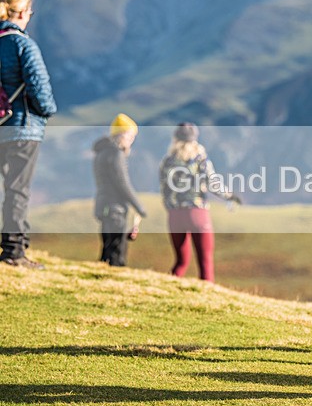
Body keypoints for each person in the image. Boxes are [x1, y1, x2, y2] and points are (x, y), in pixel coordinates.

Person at [0, 0, 57, 269]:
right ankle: (13, 250)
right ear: (22, 12)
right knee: (17, 189)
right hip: (22, 126)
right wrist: (47, 111)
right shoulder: (23, 44)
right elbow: (39, 87)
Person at [159, 122, 240, 283]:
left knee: (181, 262)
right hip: (197, 213)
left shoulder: (167, 162)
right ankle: (208, 298)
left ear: (175, 138)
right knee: (205, 263)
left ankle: (164, 290)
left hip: (175, 215)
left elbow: (164, 189)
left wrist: (171, 207)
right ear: (194, 139)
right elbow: (213, 183)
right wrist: (229, 196)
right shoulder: (200, 160)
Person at [92, 113, 147, 267]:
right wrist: (139, 207)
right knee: (117, 251)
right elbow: (122, 183)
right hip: (115, 208)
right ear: (122, 135)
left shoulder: (101, 153)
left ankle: (102, 279)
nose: (132, 140)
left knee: (107, 248)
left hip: (103, 206)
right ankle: (115, 280)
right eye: (130, 136)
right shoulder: (116, 154)